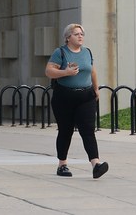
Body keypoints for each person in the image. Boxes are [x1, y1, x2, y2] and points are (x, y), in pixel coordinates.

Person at [45, 23, 108, 179]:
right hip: (64, 97)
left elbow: (92, 70)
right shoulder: (60, 52)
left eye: (82, 34)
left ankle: (96, 164)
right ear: (68, 38)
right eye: (76, 34)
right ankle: (62, 165)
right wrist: (65, 72)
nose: (80, 36)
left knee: (88, 130)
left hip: (85, 97)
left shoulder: (87, 52)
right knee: (65, 130)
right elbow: (49, 71)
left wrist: (96, 88)